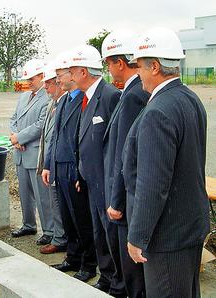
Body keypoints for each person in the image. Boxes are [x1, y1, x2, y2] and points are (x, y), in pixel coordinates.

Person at [122, 27, 210, 298]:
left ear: (156, 66)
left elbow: (153, 183)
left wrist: (138, 236)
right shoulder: (189, 99)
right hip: (189, 226)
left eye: (139, 67)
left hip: (167, 235)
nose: (137, 73)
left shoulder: (158, 111)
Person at [68, 45, 124, 296]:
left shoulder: (110, 95)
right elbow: (85, 139)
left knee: (111, 232)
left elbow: (117, 142)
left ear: (83, 71)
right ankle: (106, 275)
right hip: (91, 179)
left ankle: (119, 282)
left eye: (72, 71)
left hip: (107, 179)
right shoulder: (87, 97)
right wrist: (81, 173)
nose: (69, 76)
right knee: (99, 231)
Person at [101, 29, 150, 298]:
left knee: (133, 273)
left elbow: (126, 154)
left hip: (126, 198)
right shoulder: (129, 93)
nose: (108, 70)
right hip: (124, 193)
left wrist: (116, 201)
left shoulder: (132, 96)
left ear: (120, 63)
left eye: (108, 63)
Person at [42, 52, 97, 281]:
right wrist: (48, 164)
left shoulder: (84, 100)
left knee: (81, 218)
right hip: (59, 166)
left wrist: (79, 171)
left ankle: (88, 264)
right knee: (67, 216)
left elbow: (81, 139)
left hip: (75, 168)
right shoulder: (62, 100)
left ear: (71, 76)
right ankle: (72, 257)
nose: (57, 81)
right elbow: (55, 137)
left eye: (59, 75)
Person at [9, 59, 54, 245]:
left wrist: (19, 137)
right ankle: (28, 224)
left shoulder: (48, 97)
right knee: (24, 192)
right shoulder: (24, 96)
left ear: (42, 77)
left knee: (42, 195)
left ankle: (49, 230)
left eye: (32, 78)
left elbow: (41, 125)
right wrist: (14, 135)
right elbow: (13, 118)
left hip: (34, 152)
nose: (28, 82)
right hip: (20, 152)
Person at [37, 62, 68, 254]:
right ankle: (59, 236)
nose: (46, 88)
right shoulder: (52, 104)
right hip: (51, 163)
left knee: (59, 205)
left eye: (48, 84)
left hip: (60, 164)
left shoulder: (65, 104)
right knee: (54, 204)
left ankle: (61, 239)